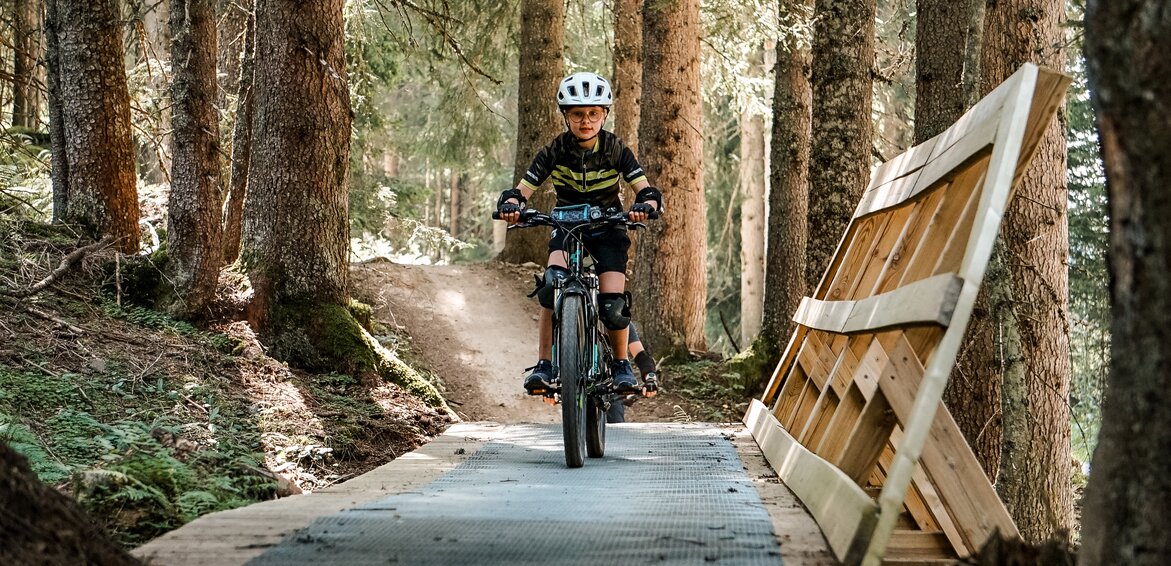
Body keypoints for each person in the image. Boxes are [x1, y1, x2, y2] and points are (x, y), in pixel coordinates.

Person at [498, 71, 662, 395]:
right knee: (549, 287)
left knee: (613, 306)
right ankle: (545, 365)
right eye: (577, 114)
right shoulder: (555, 150)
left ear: (604, 114)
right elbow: (521, 190)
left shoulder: (616, 149)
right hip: (566, 227)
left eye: (593, 113)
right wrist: (513, 204)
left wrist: (647, 203)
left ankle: (620, 366)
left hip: (609, 228)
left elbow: (645, 190)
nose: (585, 121)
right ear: (566, 116)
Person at [606, 321, 659, 423]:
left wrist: (650, 377)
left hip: (611, 387)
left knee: (616, 426)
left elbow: (640, 355)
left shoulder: (622, 323)